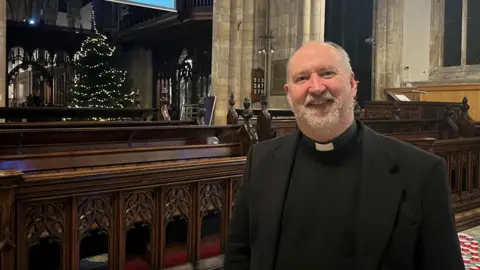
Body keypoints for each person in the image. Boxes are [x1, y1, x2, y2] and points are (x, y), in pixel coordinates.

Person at [224, 41, 463, 270]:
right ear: (289, 93)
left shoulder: (420, 172)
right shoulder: (261, 160)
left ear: (352, 84)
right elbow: (239, 255)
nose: (316, 88)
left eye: (327, 73)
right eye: (302, 78)